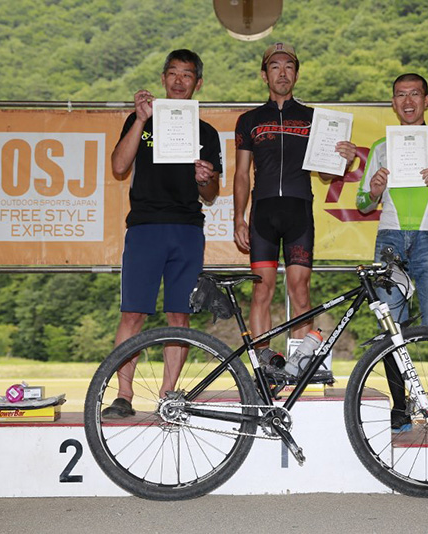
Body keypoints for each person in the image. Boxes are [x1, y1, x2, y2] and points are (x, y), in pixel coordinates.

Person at [101, 49, 222, 418]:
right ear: (163, 78)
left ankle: (169, 396)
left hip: (187, 230)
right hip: (145, 228)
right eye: (173, 73)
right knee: (132, 315)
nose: (179, 80)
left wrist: (205, 178)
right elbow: (119, 166)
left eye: (187, 74)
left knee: (179, 317)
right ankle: (123, 395)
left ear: (198, 83)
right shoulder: (141, 120)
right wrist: (140, 119)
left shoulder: (206, 132)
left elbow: (211, 194)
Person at [356, 73, 428, 432]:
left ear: (426, 100)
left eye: (415, 94)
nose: (408, 101)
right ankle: (399, 408)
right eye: (401, 95)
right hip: (390, 236)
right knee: (391, 325)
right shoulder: (380, 147)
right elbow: (362, 203)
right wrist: (374, 192)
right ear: (393, 102)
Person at [233, 42, 356, 370]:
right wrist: (238, 218)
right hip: (263, 213)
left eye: (289, 66)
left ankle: (299, 367)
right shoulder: (249, 120)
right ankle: (264, 367)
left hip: (298, 210)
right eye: (275, 66)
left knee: (300, 290)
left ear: (296, 74)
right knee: (262, 291)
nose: (282, 72)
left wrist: (343, 159)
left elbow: (327, 175)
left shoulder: (314, 119)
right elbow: (241, 174)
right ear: (265, 75)